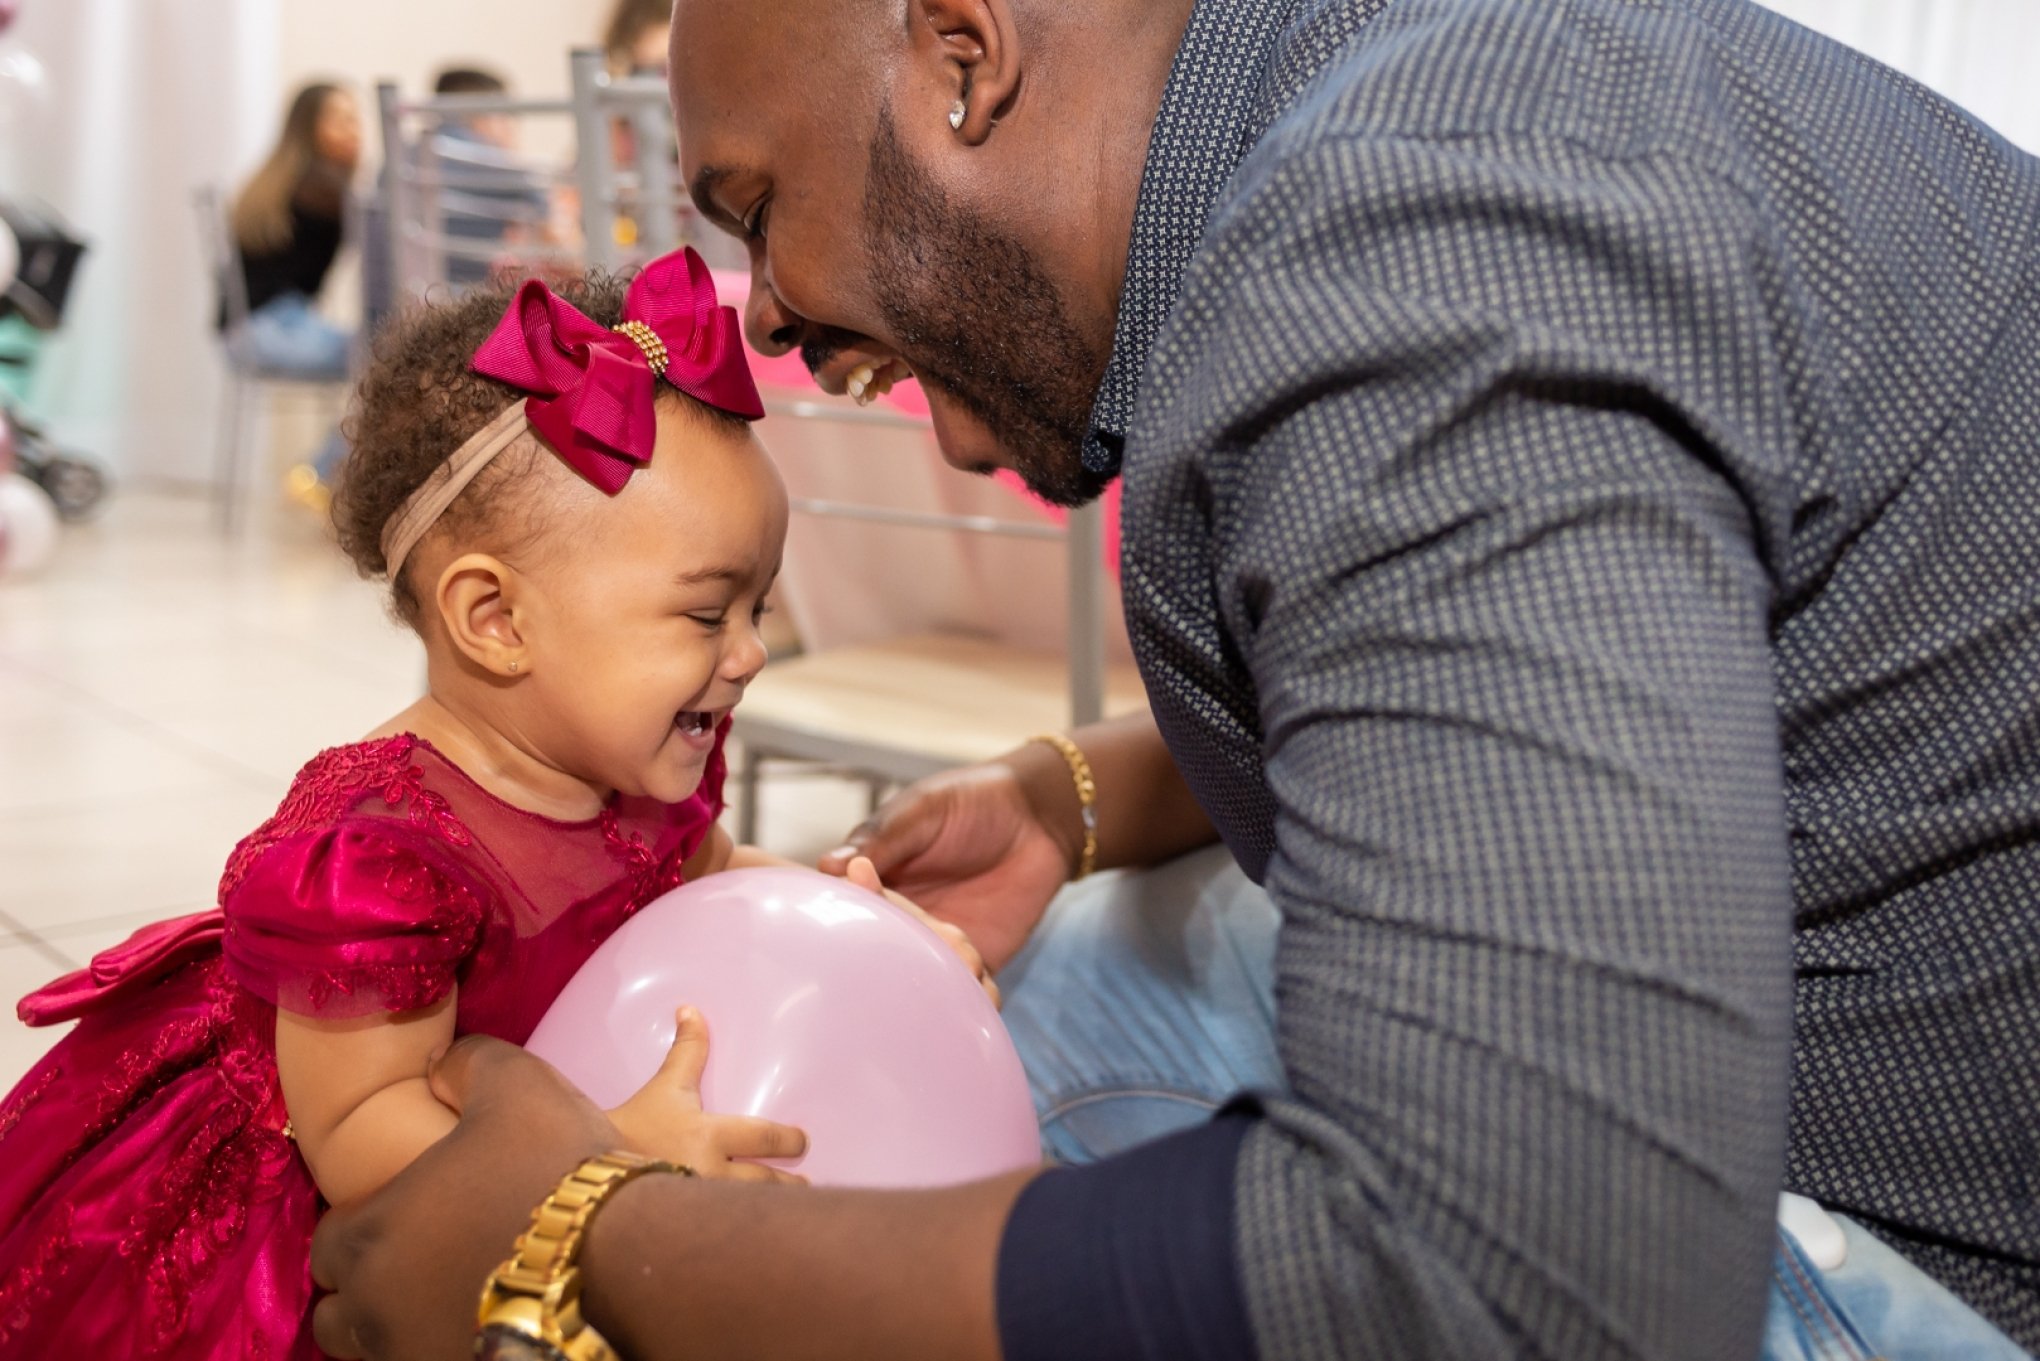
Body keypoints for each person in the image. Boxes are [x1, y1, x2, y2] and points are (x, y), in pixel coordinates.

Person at [308, 0, 2040, 1358]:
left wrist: (599, 1239)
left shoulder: (1411, 237)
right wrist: (1076, 794)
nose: (765, 327)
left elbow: (1515, 1280)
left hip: (1908, 1235)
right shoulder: (1372, 99)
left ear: (962, 56)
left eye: (762, 207)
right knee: (1022, 987)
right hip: (1811, 1040)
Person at [0, 248, 988, 1357]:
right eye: (710, 615)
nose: (753, 652)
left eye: (761, 604)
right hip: (359, 1217)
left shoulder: (637, 766)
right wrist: (596, 1160)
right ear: (496, 620)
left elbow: (709, 873)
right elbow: (359, 1129)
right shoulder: (375, 858)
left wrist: (851, 917)